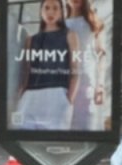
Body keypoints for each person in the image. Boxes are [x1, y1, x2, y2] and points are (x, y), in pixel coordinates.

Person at [14, 0, 81, 130]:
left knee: (55, 139)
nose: (50, 12)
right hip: (31, 96)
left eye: (55, 8)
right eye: (47, 8)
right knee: (24, 137)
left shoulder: (70, 35)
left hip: (57, 94)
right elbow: (26, 70)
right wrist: (21, 93)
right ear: (41, 11)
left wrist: (69, 100)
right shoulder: (31, 39)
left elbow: (75, 70)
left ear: (62, 11)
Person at [65, 0, 107, 130]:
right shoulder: (60, 23)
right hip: (63, 83)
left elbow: (101, 55)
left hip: (86, 83)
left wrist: (100, 85)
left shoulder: (93, 23)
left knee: (86, 127)